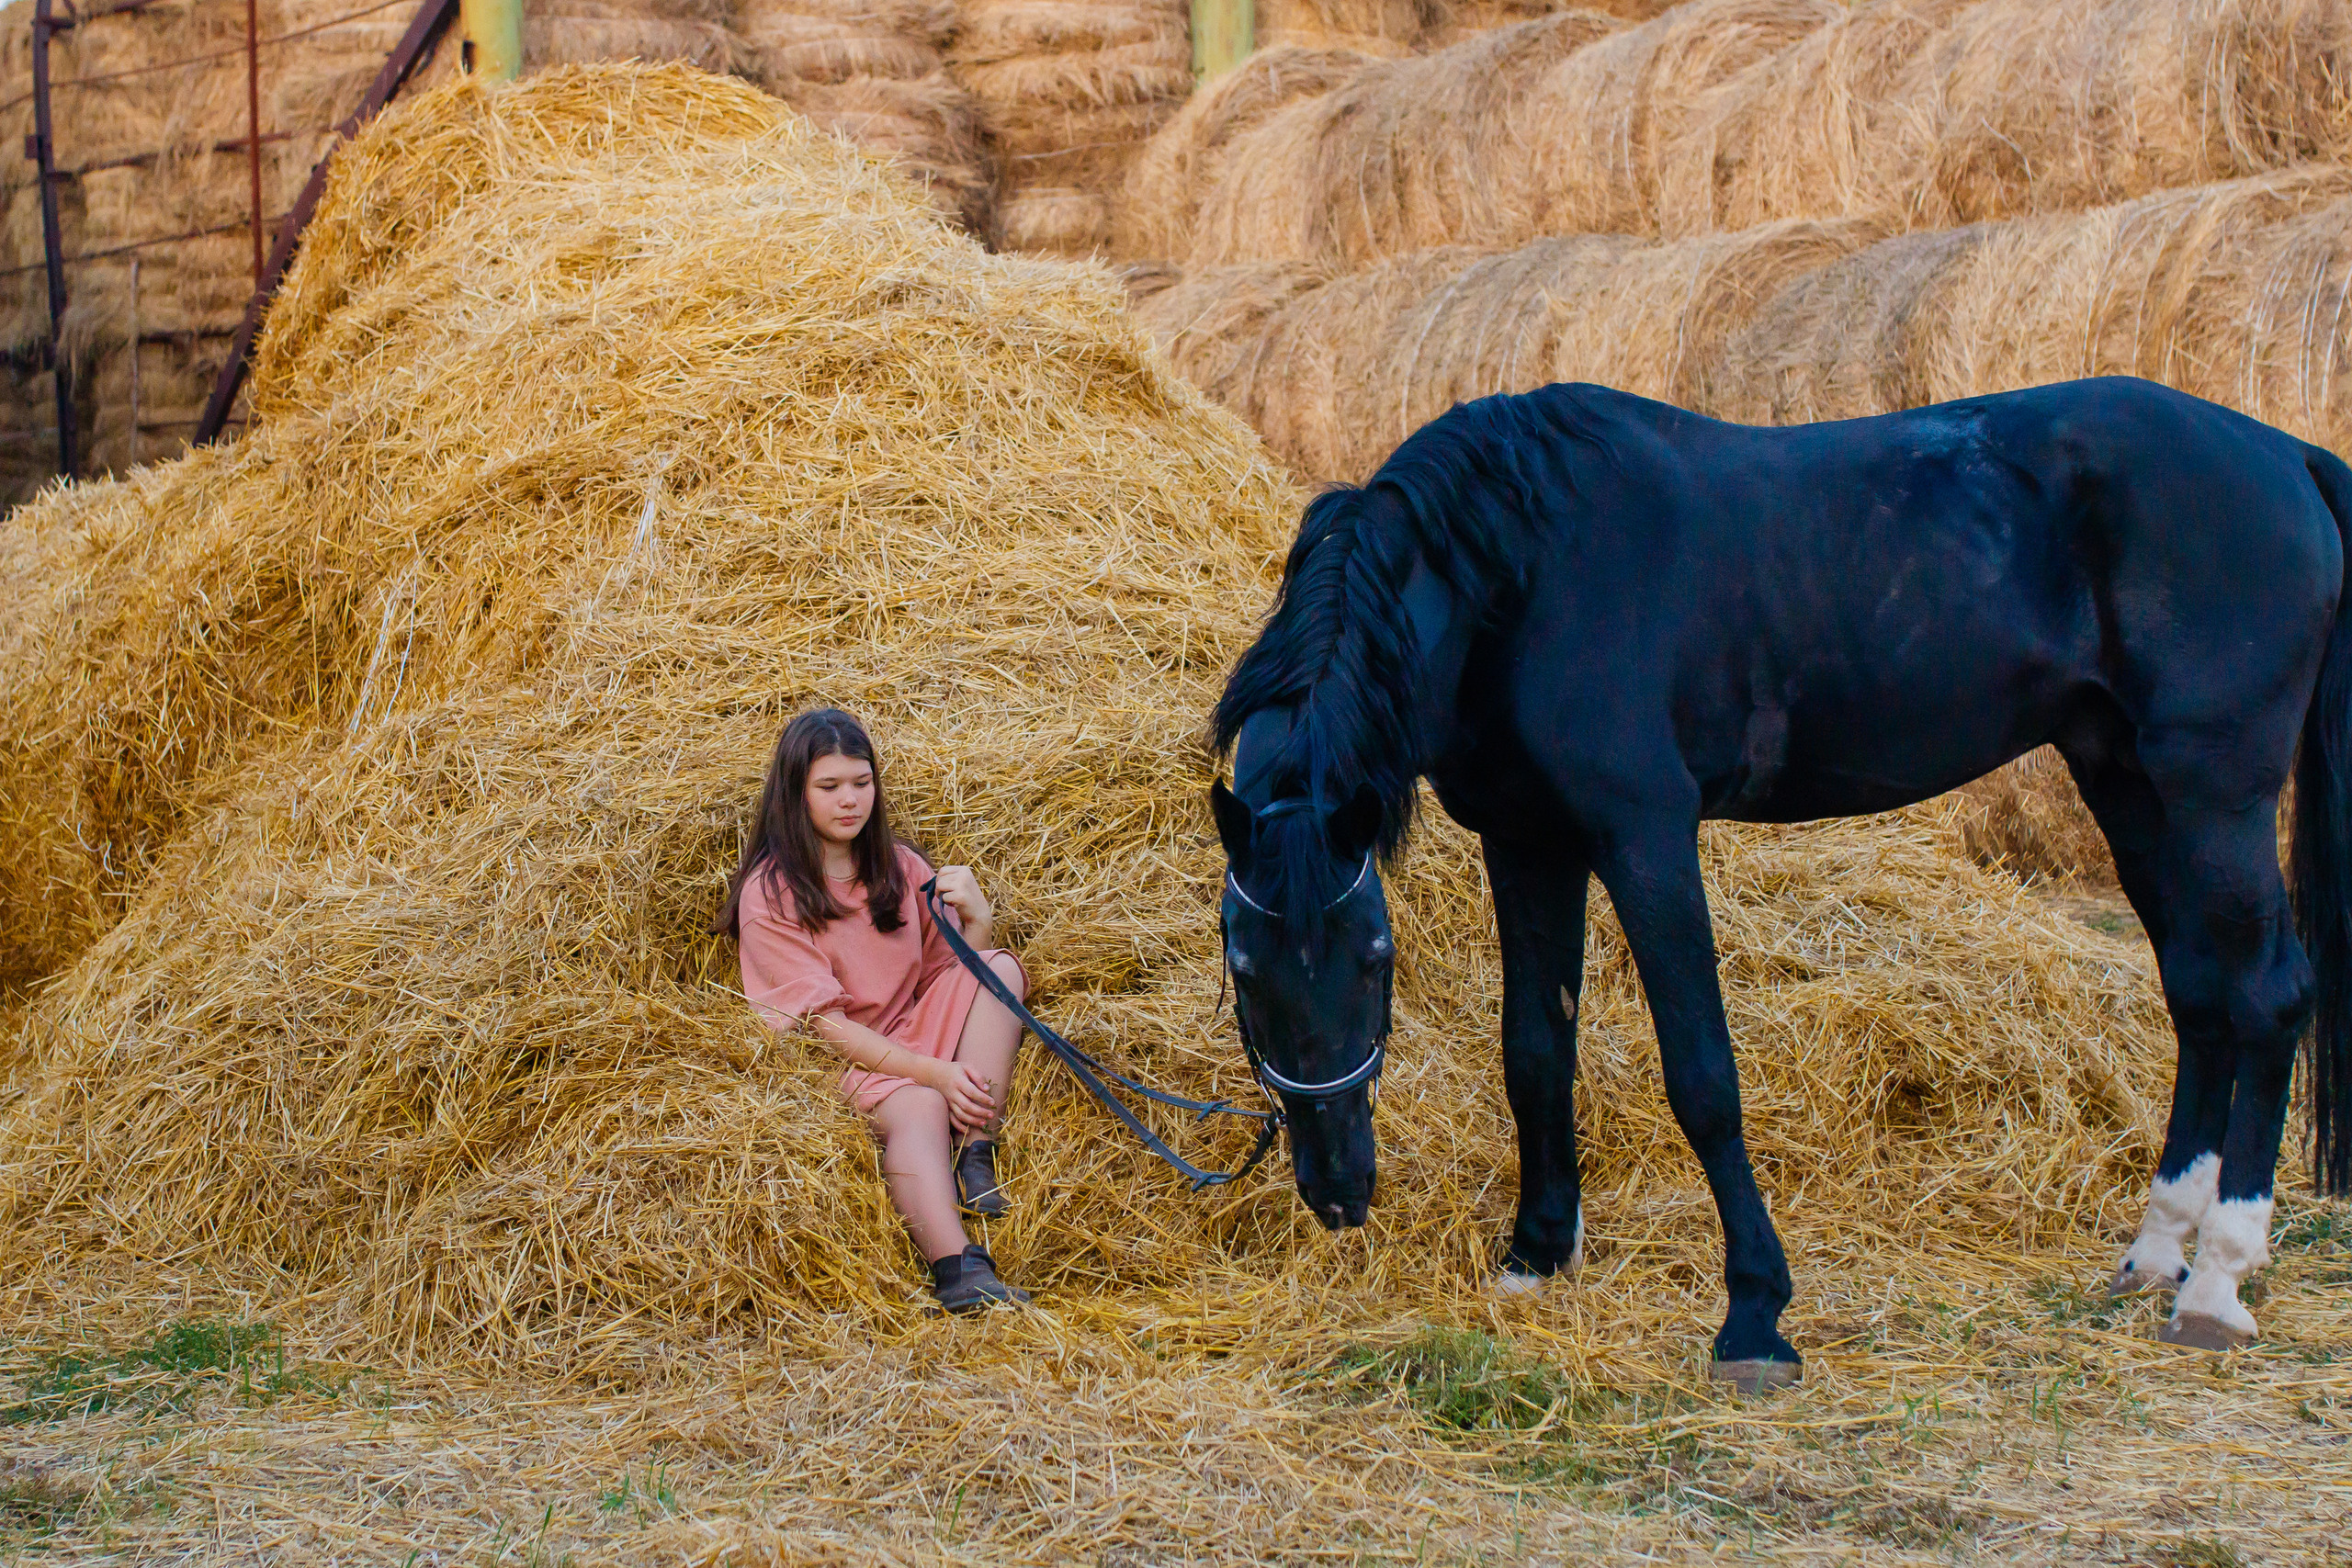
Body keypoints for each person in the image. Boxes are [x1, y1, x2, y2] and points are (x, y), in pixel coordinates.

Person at [710, 707, 1031, 1312]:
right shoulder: (771, 893)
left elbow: (947, 971)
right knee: (918, 1101)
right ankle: (958, 1268)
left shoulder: (901, 867)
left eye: (862, 782)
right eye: (829, 787)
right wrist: (932, 1071)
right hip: (834, 1055)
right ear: (796, 792)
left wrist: (980, 923)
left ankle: (974, 1150)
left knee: (1003, 968)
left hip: (907, 1028)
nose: (849, 800)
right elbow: (822, 1025)